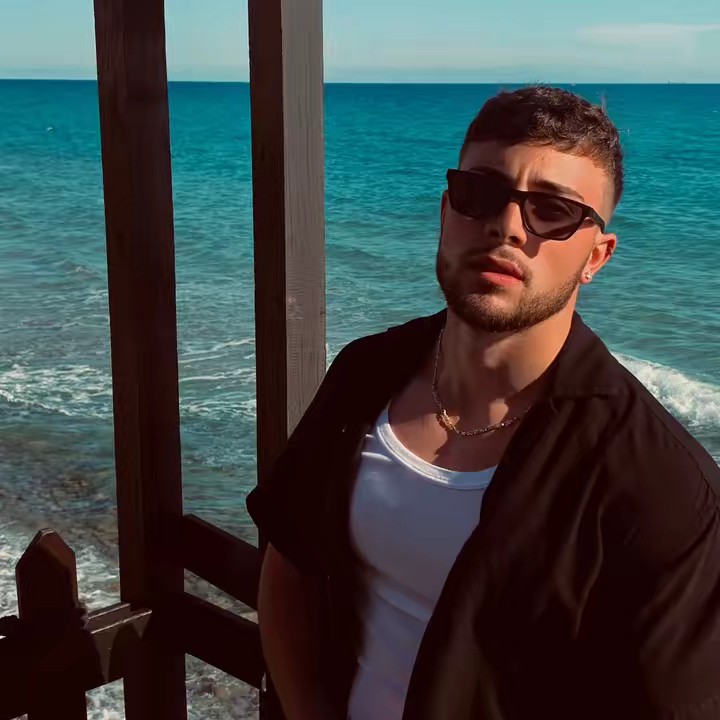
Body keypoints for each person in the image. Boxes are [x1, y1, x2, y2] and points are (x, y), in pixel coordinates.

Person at [246, 85, 720, 720]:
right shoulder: (368, 373)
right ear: (447, 211)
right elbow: (291, 562)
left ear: (596, 257)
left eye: (553, 210)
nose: (508, 227)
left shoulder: (659, 488)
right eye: (481, 194)